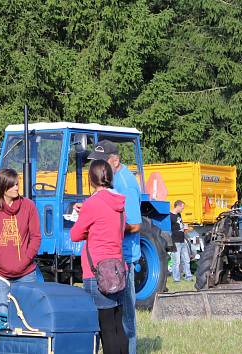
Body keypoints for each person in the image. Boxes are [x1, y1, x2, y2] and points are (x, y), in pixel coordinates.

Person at [86, 140, 141, 354]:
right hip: (110, 258)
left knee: (125, 319)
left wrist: (106, 226)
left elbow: (135, 225)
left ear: (115, 161)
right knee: (112, 318)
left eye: (101, 162)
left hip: (122, 260)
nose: (97, 167)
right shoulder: (112, 182)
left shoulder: (125, 183)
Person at [71, 160, 128, 354]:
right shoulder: (120, 203)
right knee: (118, 325)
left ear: (90, 179)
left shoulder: (92, 204)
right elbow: (113, 230)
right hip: (118, 270)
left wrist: (83, 215)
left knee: (105, 328)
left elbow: (75, 235)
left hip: (97, 272)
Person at [0, 168, 41, 314]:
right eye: (12, 185)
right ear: (2, 187)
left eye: (17, 184)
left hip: (26, 273)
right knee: (1, 314)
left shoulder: (29, 206)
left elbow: (36, 237)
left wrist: (26, 259)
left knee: (27, 315)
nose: (17, 188)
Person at [170, 200, 192, 282]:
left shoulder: (179, 215)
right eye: (182, 208)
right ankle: (176, 279)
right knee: (176, 261)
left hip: (182, 240)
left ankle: (188, 276)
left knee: (186, 259)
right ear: (178, 206)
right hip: (175, 242)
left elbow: (180, 225)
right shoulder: (170, 216)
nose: (183, 209)